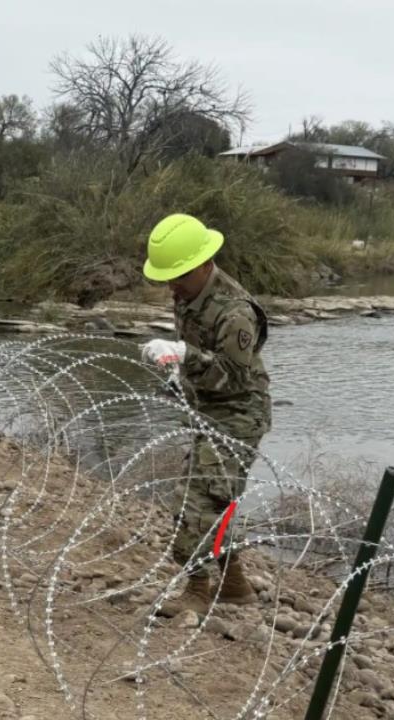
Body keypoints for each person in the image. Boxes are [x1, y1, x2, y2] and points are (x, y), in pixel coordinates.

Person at [138, 213, 272, 616]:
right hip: (206, 409)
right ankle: (234, 586)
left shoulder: (235, 313)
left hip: (237, 415)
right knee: (215, 496)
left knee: (196, 502)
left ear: (202, 264)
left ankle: (197, 588)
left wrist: (185, 355)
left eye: (177, 275)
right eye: (167, 277)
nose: (170, 285)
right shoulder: (190, 293)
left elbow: (231, 378)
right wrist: (175, 368)